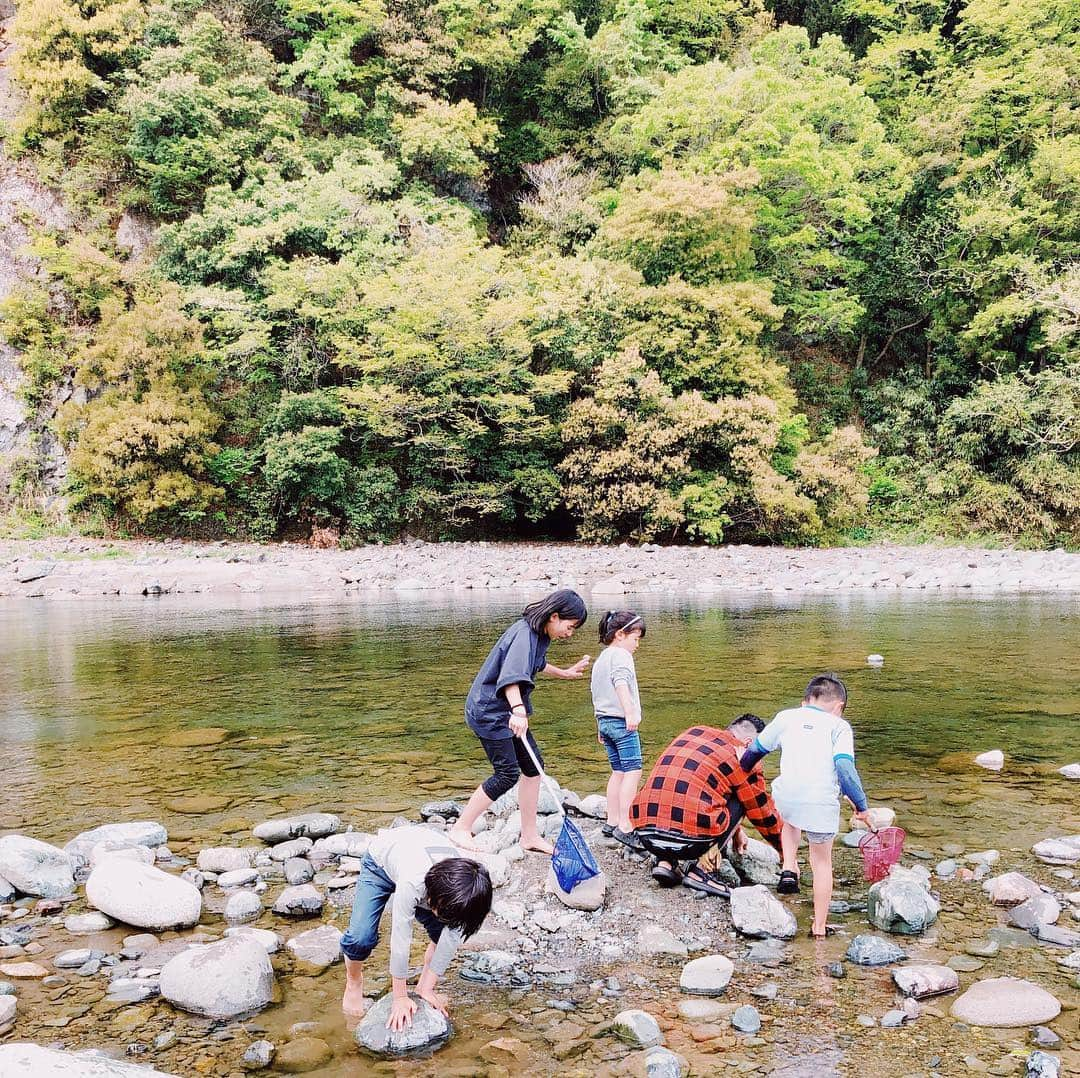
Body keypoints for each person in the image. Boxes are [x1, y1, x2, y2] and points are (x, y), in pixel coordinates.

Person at [447, 590, 590, 855]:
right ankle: (461, 827)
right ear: (554, 616)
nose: (570, 633)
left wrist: (565, 673)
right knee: (507, 773)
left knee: (534, 767)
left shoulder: (539, 633)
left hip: (506, 711)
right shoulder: (524, 635)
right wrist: (519, 711)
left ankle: (529, 835)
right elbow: (511, 677)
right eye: (570, 627)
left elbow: (537, 664)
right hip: (489, 711)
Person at [739, 674, 872, 939]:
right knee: (822, 862)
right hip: (820, 803)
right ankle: (819, 927)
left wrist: (742, 769)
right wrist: (861, 806)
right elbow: (845, 769)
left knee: (791, 818)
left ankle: (789, 865)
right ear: (839, 707)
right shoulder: (839, 726)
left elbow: (755, 750)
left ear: (806, 701)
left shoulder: (787, 717)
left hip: (786, 795)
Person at [340, 823, 492, 1028]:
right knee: (361, 937)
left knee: (442, 933)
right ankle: (353, 981)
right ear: (433, 898)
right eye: (441, 911)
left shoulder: (465, 893)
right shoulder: (414, 882)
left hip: (426, 871)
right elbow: (401, 938)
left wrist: (428, 989)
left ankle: (423, 986)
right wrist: (399, 997)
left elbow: (451, 938)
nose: (444, 918)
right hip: (380, 864)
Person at [630, 714, 783, 896]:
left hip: (646, 836)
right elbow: (763, 815)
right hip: (689, 843)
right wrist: (785, 853)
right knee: (746, 797)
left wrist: (736, 831)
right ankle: (702, 872)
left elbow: (700, 789)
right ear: (749, 742)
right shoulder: (743, 755)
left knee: (674, 789)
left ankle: (665, 862)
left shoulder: (694, 732)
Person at [591, 610, 646, 849]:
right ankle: (626, 825)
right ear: (620, 635)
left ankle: (611, 821)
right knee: (633, 771)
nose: (637, 645)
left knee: (618, 772)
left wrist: (599, 725)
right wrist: (630, 712)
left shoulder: (602, 658)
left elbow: (596, 692)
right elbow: (620, 683)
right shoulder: (621, 656)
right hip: (622, 722)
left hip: (605, 721)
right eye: (636, 638)